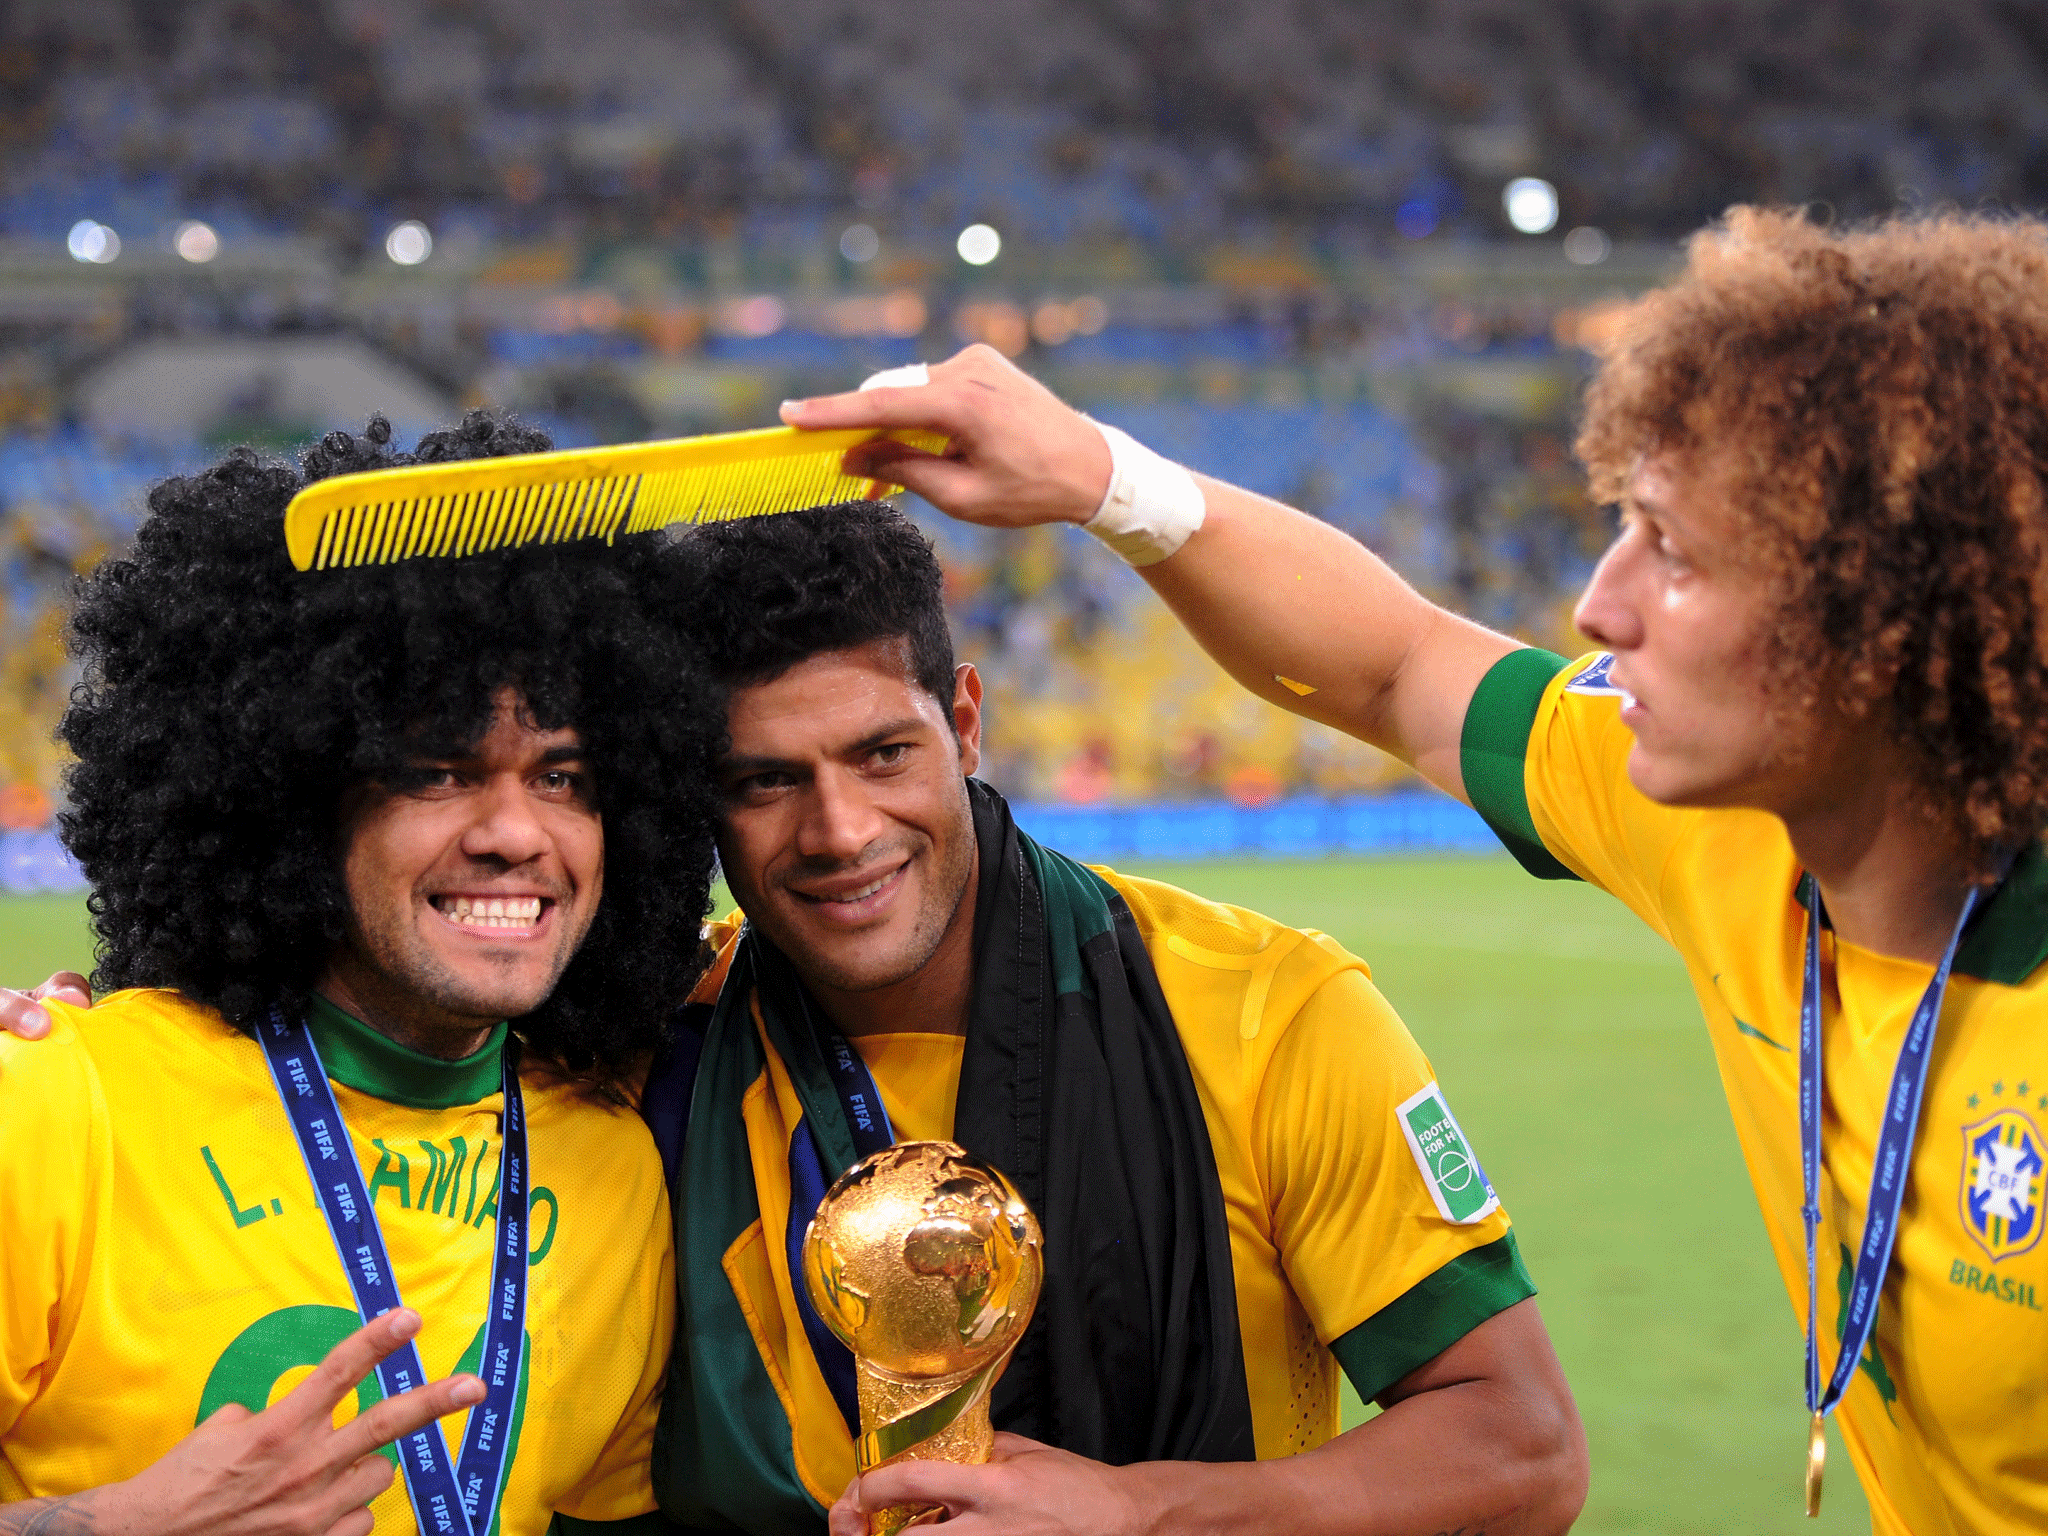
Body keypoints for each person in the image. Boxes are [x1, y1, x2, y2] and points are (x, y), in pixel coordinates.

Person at [774, 209, 2048, 1534]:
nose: (1599, 607)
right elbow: (1396, 663)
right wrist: (1103, 476)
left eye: (1675, 553)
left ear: (1888, 619)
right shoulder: (1727, 826)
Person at [641, 501, 1586, 1536]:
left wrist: (1141, 1513)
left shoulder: (1271, 1012)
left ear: (963, 723)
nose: (839, 830)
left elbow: (1522, 1449)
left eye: (880, 755)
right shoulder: (652, 1060)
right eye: (765, 781)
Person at [0, 414, 719, 1536]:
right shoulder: (53, 1107)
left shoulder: (613, 1169)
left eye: (564, 775)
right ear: (292, 797)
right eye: (436, 771)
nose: (516, 834)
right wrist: (116, 1527)